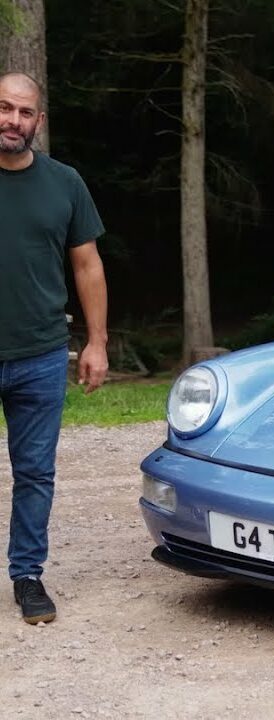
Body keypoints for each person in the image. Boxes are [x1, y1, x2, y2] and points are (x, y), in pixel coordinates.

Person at [0, 71, 108, 624]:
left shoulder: (64, 182)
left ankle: (27, 575)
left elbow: (87, 264)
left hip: (40, 353)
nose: (12, 121)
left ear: (38, 122)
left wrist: (96, 341)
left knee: (35, 472)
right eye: (4, 108)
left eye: (24, 112)